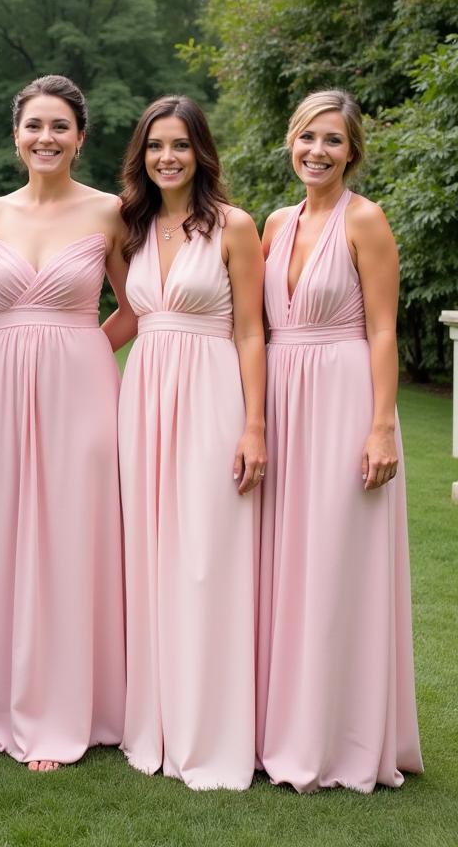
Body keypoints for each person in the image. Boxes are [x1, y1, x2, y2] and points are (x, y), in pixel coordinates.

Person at [257, 89, 423, 792]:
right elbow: (255, 326)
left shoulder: (367, 220)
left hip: (343, 399)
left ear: (352, 150)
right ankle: (280, 728)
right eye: (306, 138)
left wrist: (382, 425)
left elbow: (383, 328)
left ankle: (339, 739)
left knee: (333, 562)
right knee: (283, 561)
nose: (317, 151)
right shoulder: (274, 222)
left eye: (331, 140)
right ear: (290, 143)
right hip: (281, 397)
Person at [0, 75, 133, 772]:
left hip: (82, 386)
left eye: (60, 126)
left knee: (76, 536)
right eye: (34, 125)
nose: (46, 137)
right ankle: (7, 699)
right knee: (4, 535)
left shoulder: (110, 213)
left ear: (80, 137)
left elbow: (136, 304)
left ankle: (77, 706)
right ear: (16, 135)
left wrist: (87, 348)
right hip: (4, 385)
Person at [117, 95, 266, 791]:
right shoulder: (132, 227)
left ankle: (212, 731)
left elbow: (250, 331)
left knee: (206, 557)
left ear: (200, 151)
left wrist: (255, 423)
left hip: (211, 396)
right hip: (143, 398)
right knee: (150, 558)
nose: (166, 157)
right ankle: (157, 721)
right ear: (141, 155)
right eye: (154, 146)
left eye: (178, 144)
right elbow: (122, 318)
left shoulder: (235, 227)